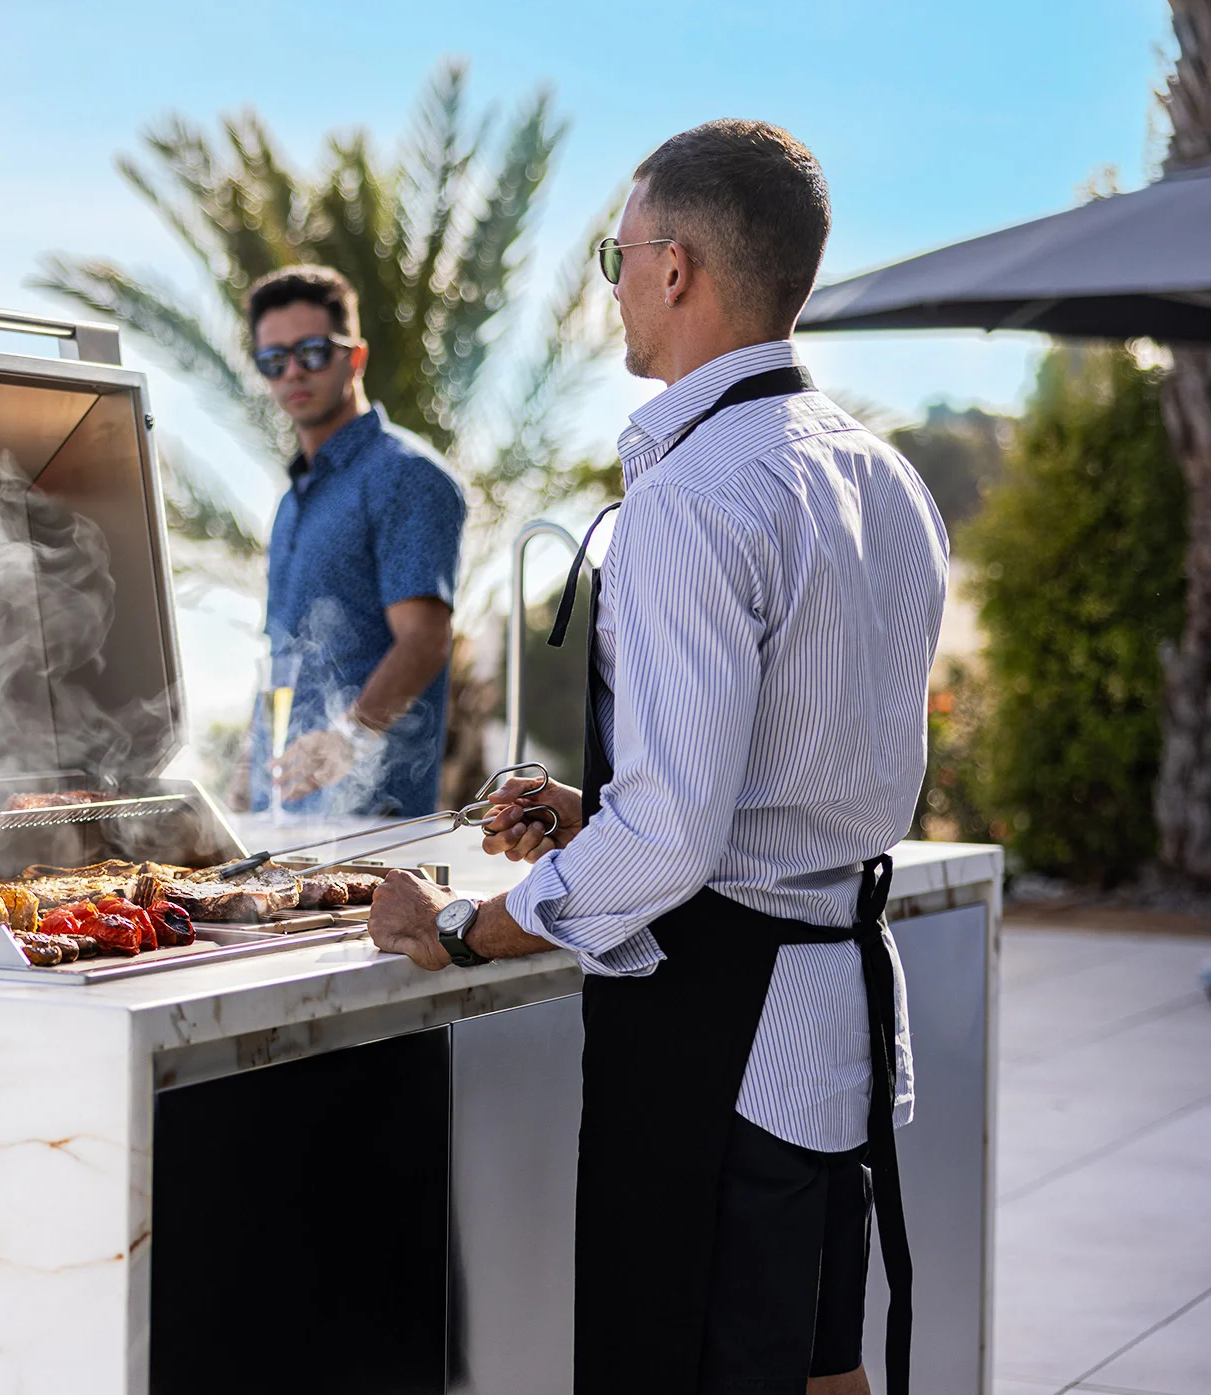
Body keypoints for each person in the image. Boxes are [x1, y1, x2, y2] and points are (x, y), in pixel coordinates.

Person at [362, 121, 948, 1395]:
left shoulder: (692, 500)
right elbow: (794, 769)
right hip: (829, 1020)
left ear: (672, 268)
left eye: (612, 256)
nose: (611, 283)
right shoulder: (884, 477)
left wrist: (465, 927)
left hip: (718, 1042)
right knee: (818, 1372)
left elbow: (677, 844)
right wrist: (599, 810)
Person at [237, 265, 466, 820]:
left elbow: (424, 639)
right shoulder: (292, 502)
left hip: (369, 818)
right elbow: (281, 656)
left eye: (312, 351)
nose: (293, 371)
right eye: (274, 360)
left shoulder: (406, 476)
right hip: (279, 816)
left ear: (355, 357)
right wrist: (246, 783)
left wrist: (348, 739)